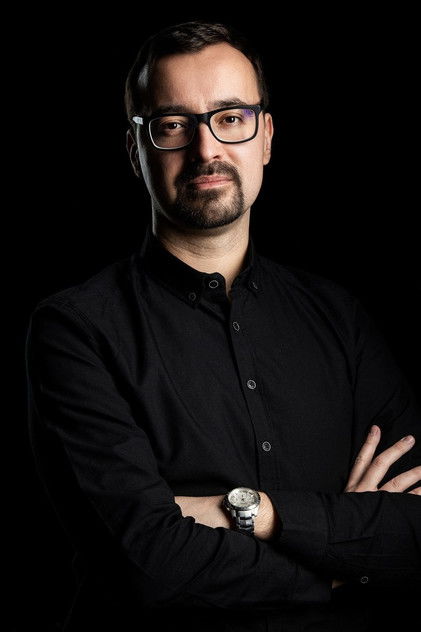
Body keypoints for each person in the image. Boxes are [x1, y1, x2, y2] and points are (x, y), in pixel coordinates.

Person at [25, 20, 420, 632]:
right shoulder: (76, 331)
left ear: (266, 137)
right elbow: (147, 566)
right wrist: (339, 558)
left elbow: (417, 533)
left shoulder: (341, 319)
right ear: (135, 151)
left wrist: (253, 512)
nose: (206, 148)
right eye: (173, 125)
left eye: (231, 118)